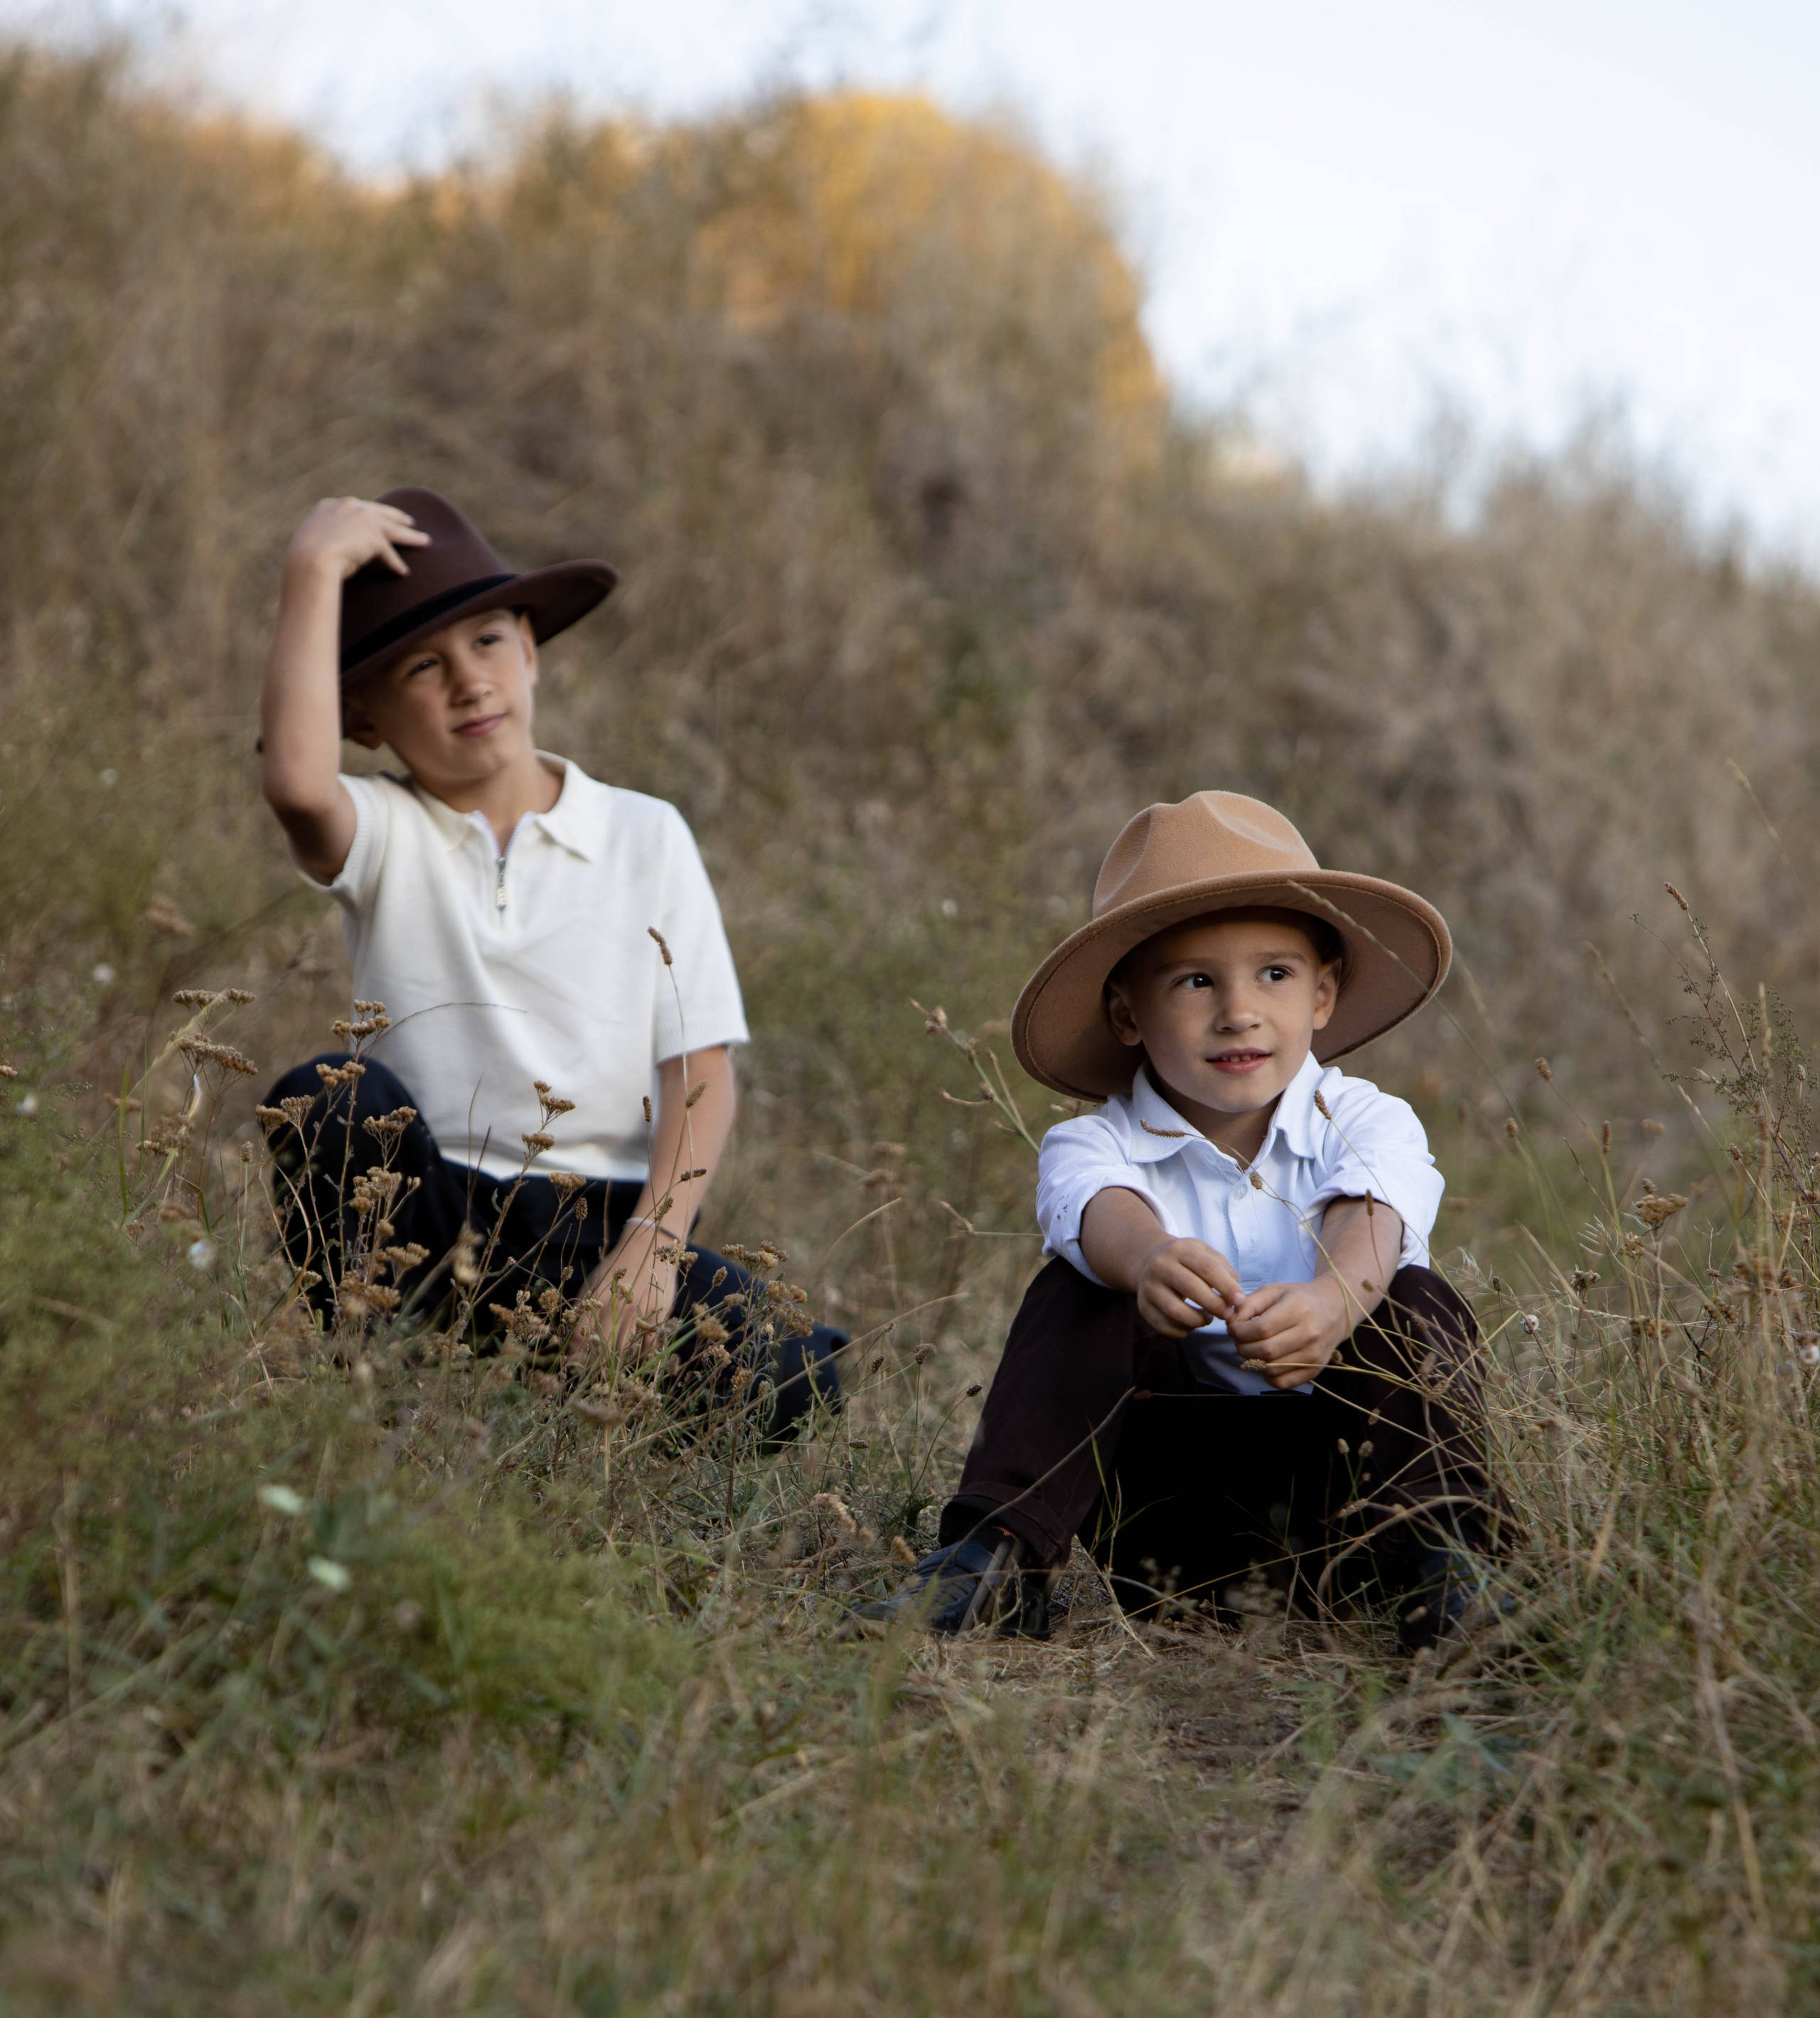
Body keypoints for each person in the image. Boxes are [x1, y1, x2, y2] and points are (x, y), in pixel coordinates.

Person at [256, 486, 845, 1431]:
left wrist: (651, 1252)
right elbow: (294, 782)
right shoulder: (383, 832)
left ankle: (570, 1380)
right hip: (428, 1210)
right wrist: (312, 567)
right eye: (421, 665)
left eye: (488, 643)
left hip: (598, 1226)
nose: (468, 682)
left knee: (783, 1370)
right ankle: (383, 1379)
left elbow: (700, 1070)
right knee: (327, 1095)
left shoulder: (645, 833)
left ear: (530, 649)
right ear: (362, 720)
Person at [861, 789, 1497, 1648]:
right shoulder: (1094, 1141)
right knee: (1083, 1287)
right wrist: (1151, 1255)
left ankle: (1444, 1561)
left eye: (1274, 974)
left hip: (1351, 1506)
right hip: (1174, 1523)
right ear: (1127, 1012)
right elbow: (1092, 1207)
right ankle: (1000, 1551)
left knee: (1412, 1297)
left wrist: (1332, 1302)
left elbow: (1374, 1211)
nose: (1238, 1010)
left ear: (1322, 994)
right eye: (1196, 981)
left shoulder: (1367, 1119)